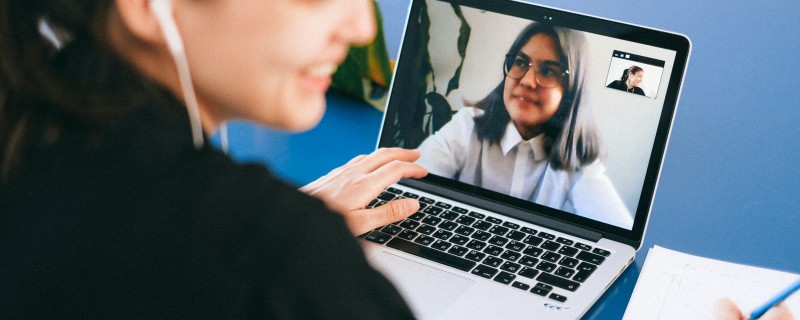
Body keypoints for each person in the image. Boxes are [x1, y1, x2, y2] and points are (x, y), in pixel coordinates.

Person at [0, 0, 427, 318]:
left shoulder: (28, 130)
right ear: (148, 7)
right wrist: (287, 240)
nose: (361, 26)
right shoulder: (278, 260)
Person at [416, 22, 633, 228]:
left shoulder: (578, 162)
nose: (527, 81)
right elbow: (411, 183)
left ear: (571, 90)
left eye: (548, 70)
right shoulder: (467, 126)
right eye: (520, 62)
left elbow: (617, 234)